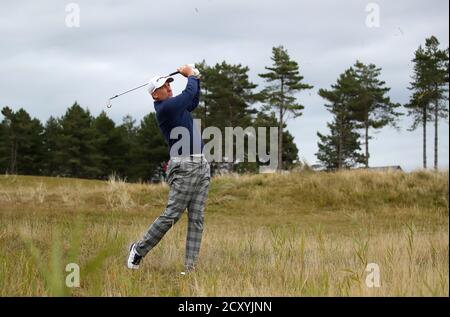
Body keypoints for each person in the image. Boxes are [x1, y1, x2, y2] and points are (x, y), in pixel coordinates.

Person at [127, 65, 210, 274]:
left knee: (197, 218)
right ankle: (138, 249)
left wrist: (196, 78)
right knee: (173, 214)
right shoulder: (165, 108)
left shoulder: (176, 106)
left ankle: (190, 269)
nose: (169, 88)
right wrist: (190, 75)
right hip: (184, 165)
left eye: (169, 84)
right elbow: (187, 94)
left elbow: (193, 100)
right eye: (164, 86)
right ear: (155, 94)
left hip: (201, 164)